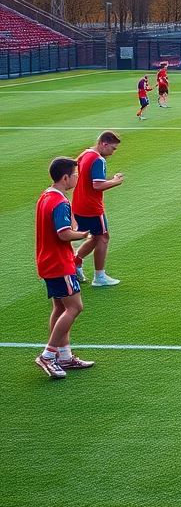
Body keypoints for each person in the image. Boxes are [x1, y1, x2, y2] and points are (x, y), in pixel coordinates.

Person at [34, 156, 94, 379]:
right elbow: (64, 234)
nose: (77, 178)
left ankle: (65, 356)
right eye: (75, 175)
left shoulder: (46, 196)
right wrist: (84, 234)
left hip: (47, 261)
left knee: (60, 308)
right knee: (75, 307)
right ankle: (48, 355)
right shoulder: (60, 202)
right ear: (65, 177)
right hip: (59, 262)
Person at [71, 131, 124, 287]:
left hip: (79, 203)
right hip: (92, 206)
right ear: (104, 144)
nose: (113, 152)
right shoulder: (98, 159)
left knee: (95, 236)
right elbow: (98, 185)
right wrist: (116, 181)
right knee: (103, 237)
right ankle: (99, 277)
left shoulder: (85, 153)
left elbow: (77, 172)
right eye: (113, 148)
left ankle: (75, 262)